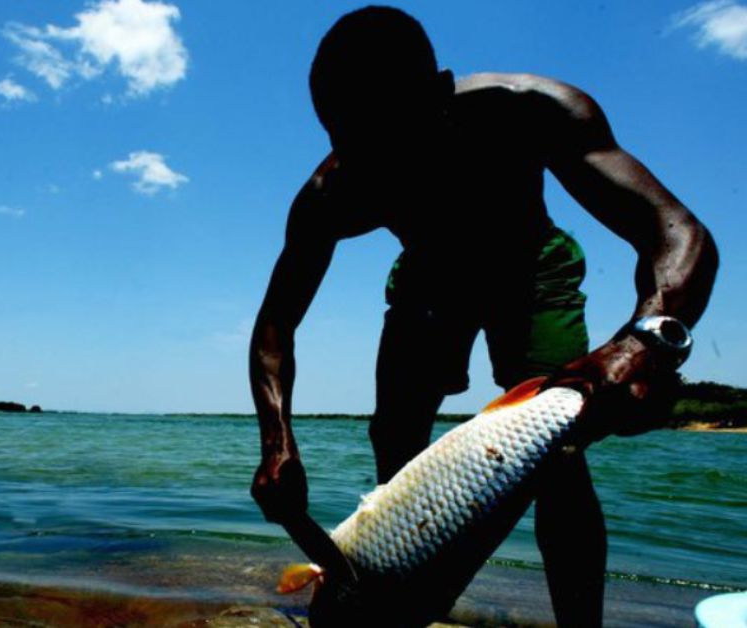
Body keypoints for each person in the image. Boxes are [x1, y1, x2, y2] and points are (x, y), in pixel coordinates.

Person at [248, 6, 718, 626]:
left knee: (559, 455)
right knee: (394, 441)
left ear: (438, 90)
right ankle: (402, 601)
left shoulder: (529, 109)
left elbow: (677, 231)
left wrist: (645, 338)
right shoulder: (335, 189)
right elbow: (275, 325)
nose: (373, 157)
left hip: (529, 268)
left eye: (389, 131)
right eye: (347, 138)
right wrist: (277, 442)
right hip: (429, 277)